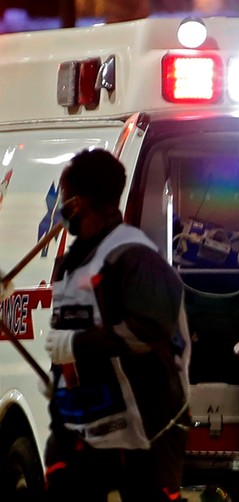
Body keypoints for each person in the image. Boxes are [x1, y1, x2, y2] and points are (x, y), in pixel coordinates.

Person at [43, 148, 191, 502]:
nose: (62, 209)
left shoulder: (134, 258)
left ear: (78, 203)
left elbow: (149, 330)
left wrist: (78, 345)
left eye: (65, 200)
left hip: (145, 434)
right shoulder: (72, 263)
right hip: (88, 430)